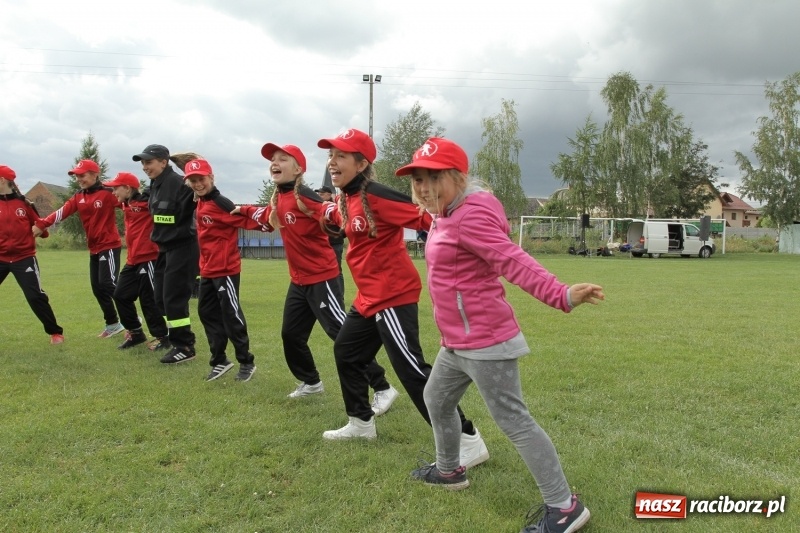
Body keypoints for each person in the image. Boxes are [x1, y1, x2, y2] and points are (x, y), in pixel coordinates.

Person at [398, 138, 603, 533]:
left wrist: (561, 294)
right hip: (457, 342)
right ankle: (448, 471)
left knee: (514, 420)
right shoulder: (446, 213)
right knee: (436, 400)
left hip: (486, 341)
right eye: (418, 179)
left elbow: (512, 260)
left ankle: (564, 507)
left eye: (432, 178)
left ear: (456, 177)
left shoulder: (469, 216)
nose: (423, 187)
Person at [315, 128, 488, 469]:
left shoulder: (377, 195)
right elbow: (343, 219)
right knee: (347, 352)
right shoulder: (345, 198)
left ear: (362, 163)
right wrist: (326, 217)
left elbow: (428, 216)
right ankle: (361, 423)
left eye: (341, 156)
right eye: (330, 156)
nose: (332, 163)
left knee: (410, 369)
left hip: (394, 294)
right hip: (369, 296)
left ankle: (467, 438)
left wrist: (465, 241)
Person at [234, 143, 398, 412]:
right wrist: (240, 210)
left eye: (282, 159)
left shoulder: (306, 196)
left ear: (298, 169)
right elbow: (265, 215)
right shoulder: (280, 197)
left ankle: (382, 387)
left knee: (342, 336)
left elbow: (328, 211)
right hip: (298, 281)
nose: (275, 163)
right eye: (273, 160)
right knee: (291, 335)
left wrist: (345, 214)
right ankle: (311, 382)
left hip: (322, 279)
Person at [184, 158, 261, 382]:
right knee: (206, 312)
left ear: (212, 178)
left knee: (230, 314)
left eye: (202, 179)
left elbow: (250, 220)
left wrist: (272, 217)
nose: (198, 184)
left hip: (226, 269)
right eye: (193, 181)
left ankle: (246, 361)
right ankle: (220, 361)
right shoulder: (200, 201)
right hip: (207, 269)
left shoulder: (221, 203)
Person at [33, 159, 124, 338]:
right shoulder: (78, 196)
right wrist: (42, 224)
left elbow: (130, 204)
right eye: (76, 176)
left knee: (108, 284)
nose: (79, 179)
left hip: (109, 246)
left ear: (94, 174)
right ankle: (113, 324)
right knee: (98, 288)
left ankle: (132, 320)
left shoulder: (107, 193)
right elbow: (62, 212)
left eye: (82, 175)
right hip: (94, 248)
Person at [132, 144, 199, 363]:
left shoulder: (181, 184)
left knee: (173, 299)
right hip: (163, 249)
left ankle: (185, 346)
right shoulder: (155, 185)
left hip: (183, 248)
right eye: (142, 163)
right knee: (159, 298)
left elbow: (203, 197)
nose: (144, 167)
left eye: (148, 162)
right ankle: (171, 338)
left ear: (163, 161)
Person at [103, 172, 168, 350]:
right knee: (120, 295)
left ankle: (163, 337)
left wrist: (149, 193)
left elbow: (161, 198)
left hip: (149, 258)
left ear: (127, 188)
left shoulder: (146, 203)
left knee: (149, 300)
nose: (113, 192)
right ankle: (136, 333)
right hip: (132, 259)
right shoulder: (126, 204)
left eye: (116, 188)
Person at [0, 165, 64, 345]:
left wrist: (39, 229)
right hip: (1, 258)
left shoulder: (25, 204)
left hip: (24, 258)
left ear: (3, 180)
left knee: (35, 296)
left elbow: (42, 230)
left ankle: (55, 333)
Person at [314, 185, 345, 295]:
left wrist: (337, 235)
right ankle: (325, 294)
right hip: (321, 245)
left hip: (335, 244)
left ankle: (339, 295)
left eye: (322, 194)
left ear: (329, 194)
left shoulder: (337, 207)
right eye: (319, 194)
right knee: (321, 270)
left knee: (337, 271)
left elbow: (345, 225)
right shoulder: (319, 208)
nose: (319, 196)